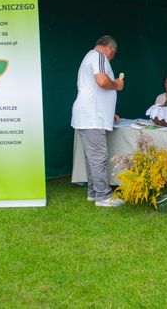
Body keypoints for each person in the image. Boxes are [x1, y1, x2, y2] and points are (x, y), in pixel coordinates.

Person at [71, 35, 125, 207]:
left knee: (92, 157)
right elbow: (101, 80)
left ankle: (93, 192)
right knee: (98, 157)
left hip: (90, 115)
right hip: (92, 116)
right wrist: (117, 84)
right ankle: (103, 196)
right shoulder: (99, 56)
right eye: (113, 54)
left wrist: (109, 112)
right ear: (110, 48)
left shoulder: (90, 56)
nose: (112, 57)